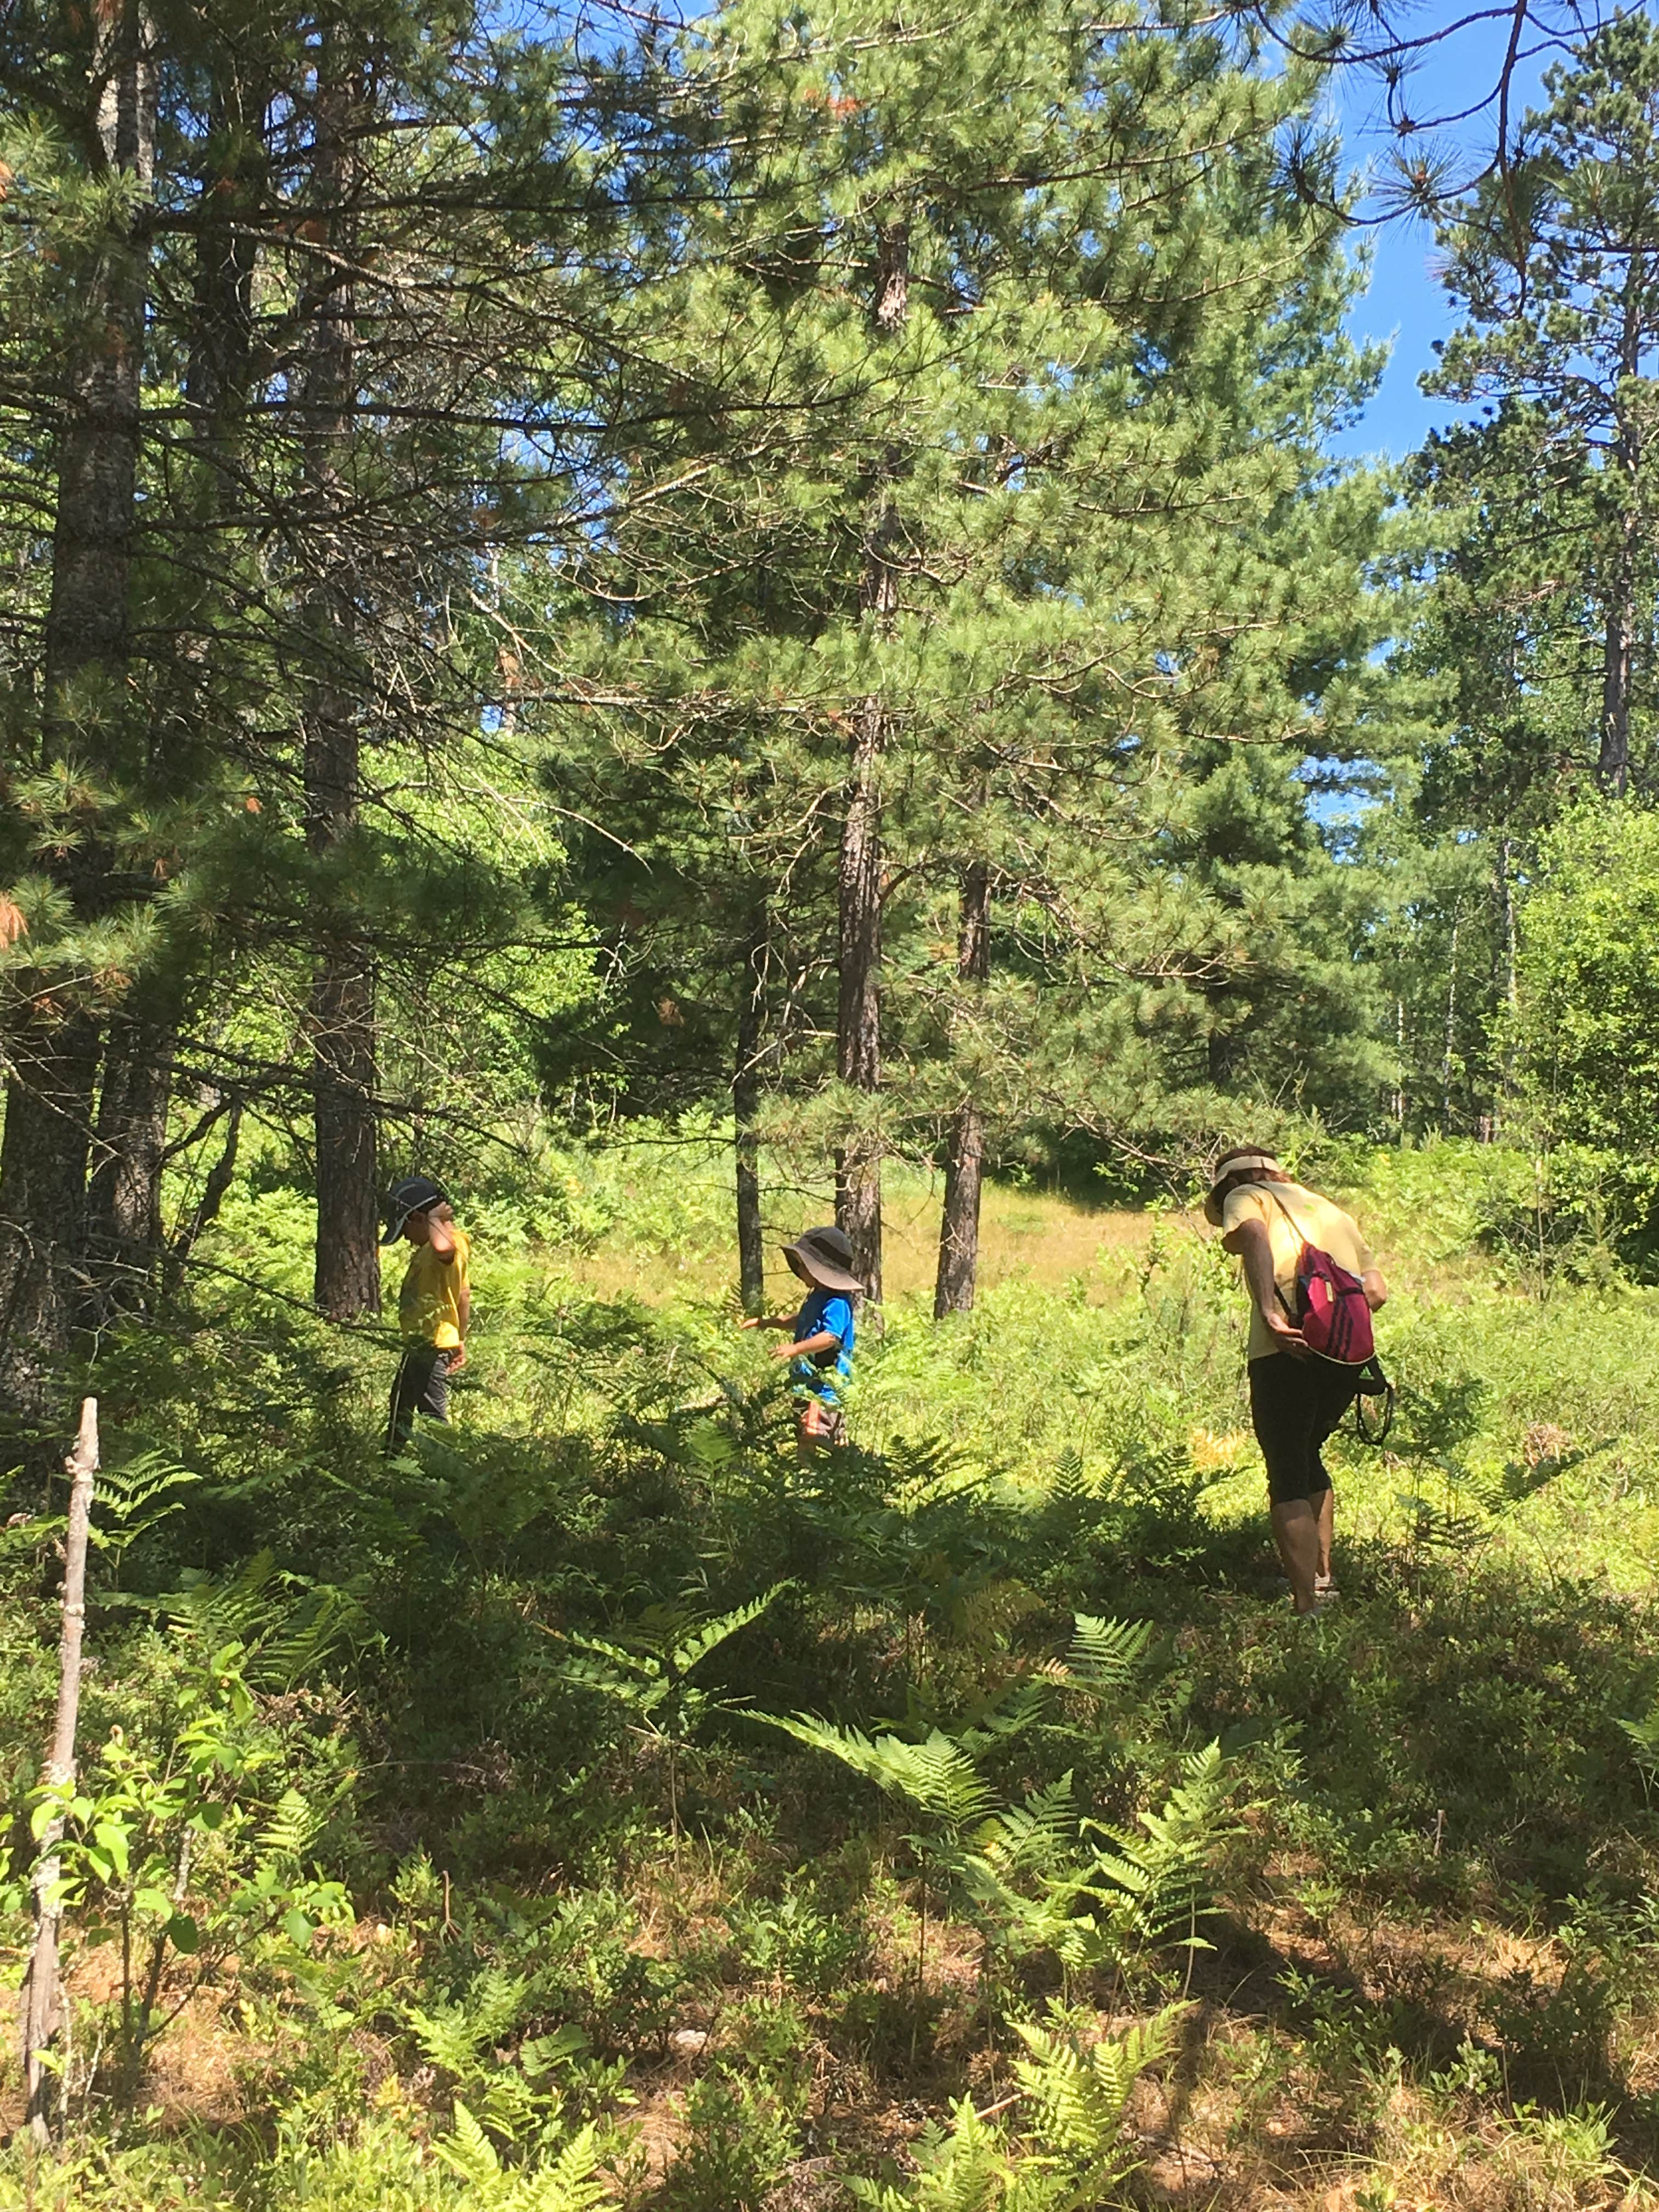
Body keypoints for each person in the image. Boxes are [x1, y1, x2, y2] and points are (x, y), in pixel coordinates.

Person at [1204, 1147, 1387, 1616]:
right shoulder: (1332, 1211)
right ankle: (1323, 1579)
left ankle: (1307, 1606)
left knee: (1285, 1469)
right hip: (1347, 1359)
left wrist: (1270, 1309)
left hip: (1286, 1349)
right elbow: (1376, 1292)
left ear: (1230, 1182)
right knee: (1308, 1456)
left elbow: (1255, 1238)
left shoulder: (1245, 1195)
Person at [740, 1223, 861, 1452]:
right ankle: (808, 1478)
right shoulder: (819, 1297)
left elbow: (829, 1338)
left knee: (814, 1433)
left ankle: (837, 1469)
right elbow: (803, 1320)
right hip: (806, 1386)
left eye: (803, 1266)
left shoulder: (837, 1303)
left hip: (825, 1390)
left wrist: (795, 1349)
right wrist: (767, 1323)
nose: (799, 1271)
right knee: (804, 1435)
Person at [382, 1173, 471, 1453]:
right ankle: (392, 1459)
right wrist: (461, 1339)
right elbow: (463, 1296)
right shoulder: (429, 1249)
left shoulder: (448, 1245)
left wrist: (434, 1216)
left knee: (432, 1415)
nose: (407, 1239)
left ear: (419, 1219)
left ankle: (445, 1469)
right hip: (424, 1342)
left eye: (406, 1230)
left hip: (431, 1344)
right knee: (400, 1406)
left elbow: (442, 1247)